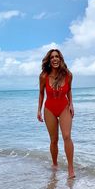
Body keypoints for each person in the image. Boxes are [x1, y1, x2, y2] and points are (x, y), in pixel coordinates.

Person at [37, 49, 75, 178]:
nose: (55, 59)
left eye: (57, 56)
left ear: (60, 59)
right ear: (49, 60)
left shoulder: (68, 75)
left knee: (66, 136)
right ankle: (55, 164)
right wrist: (39, 110)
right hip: (49, 109)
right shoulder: (43, 76)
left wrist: (71, 104)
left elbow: (69, 90)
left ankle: (70, 169)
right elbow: (41, 93)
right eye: (52, 57)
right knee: (54, 140)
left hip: (64, 107)